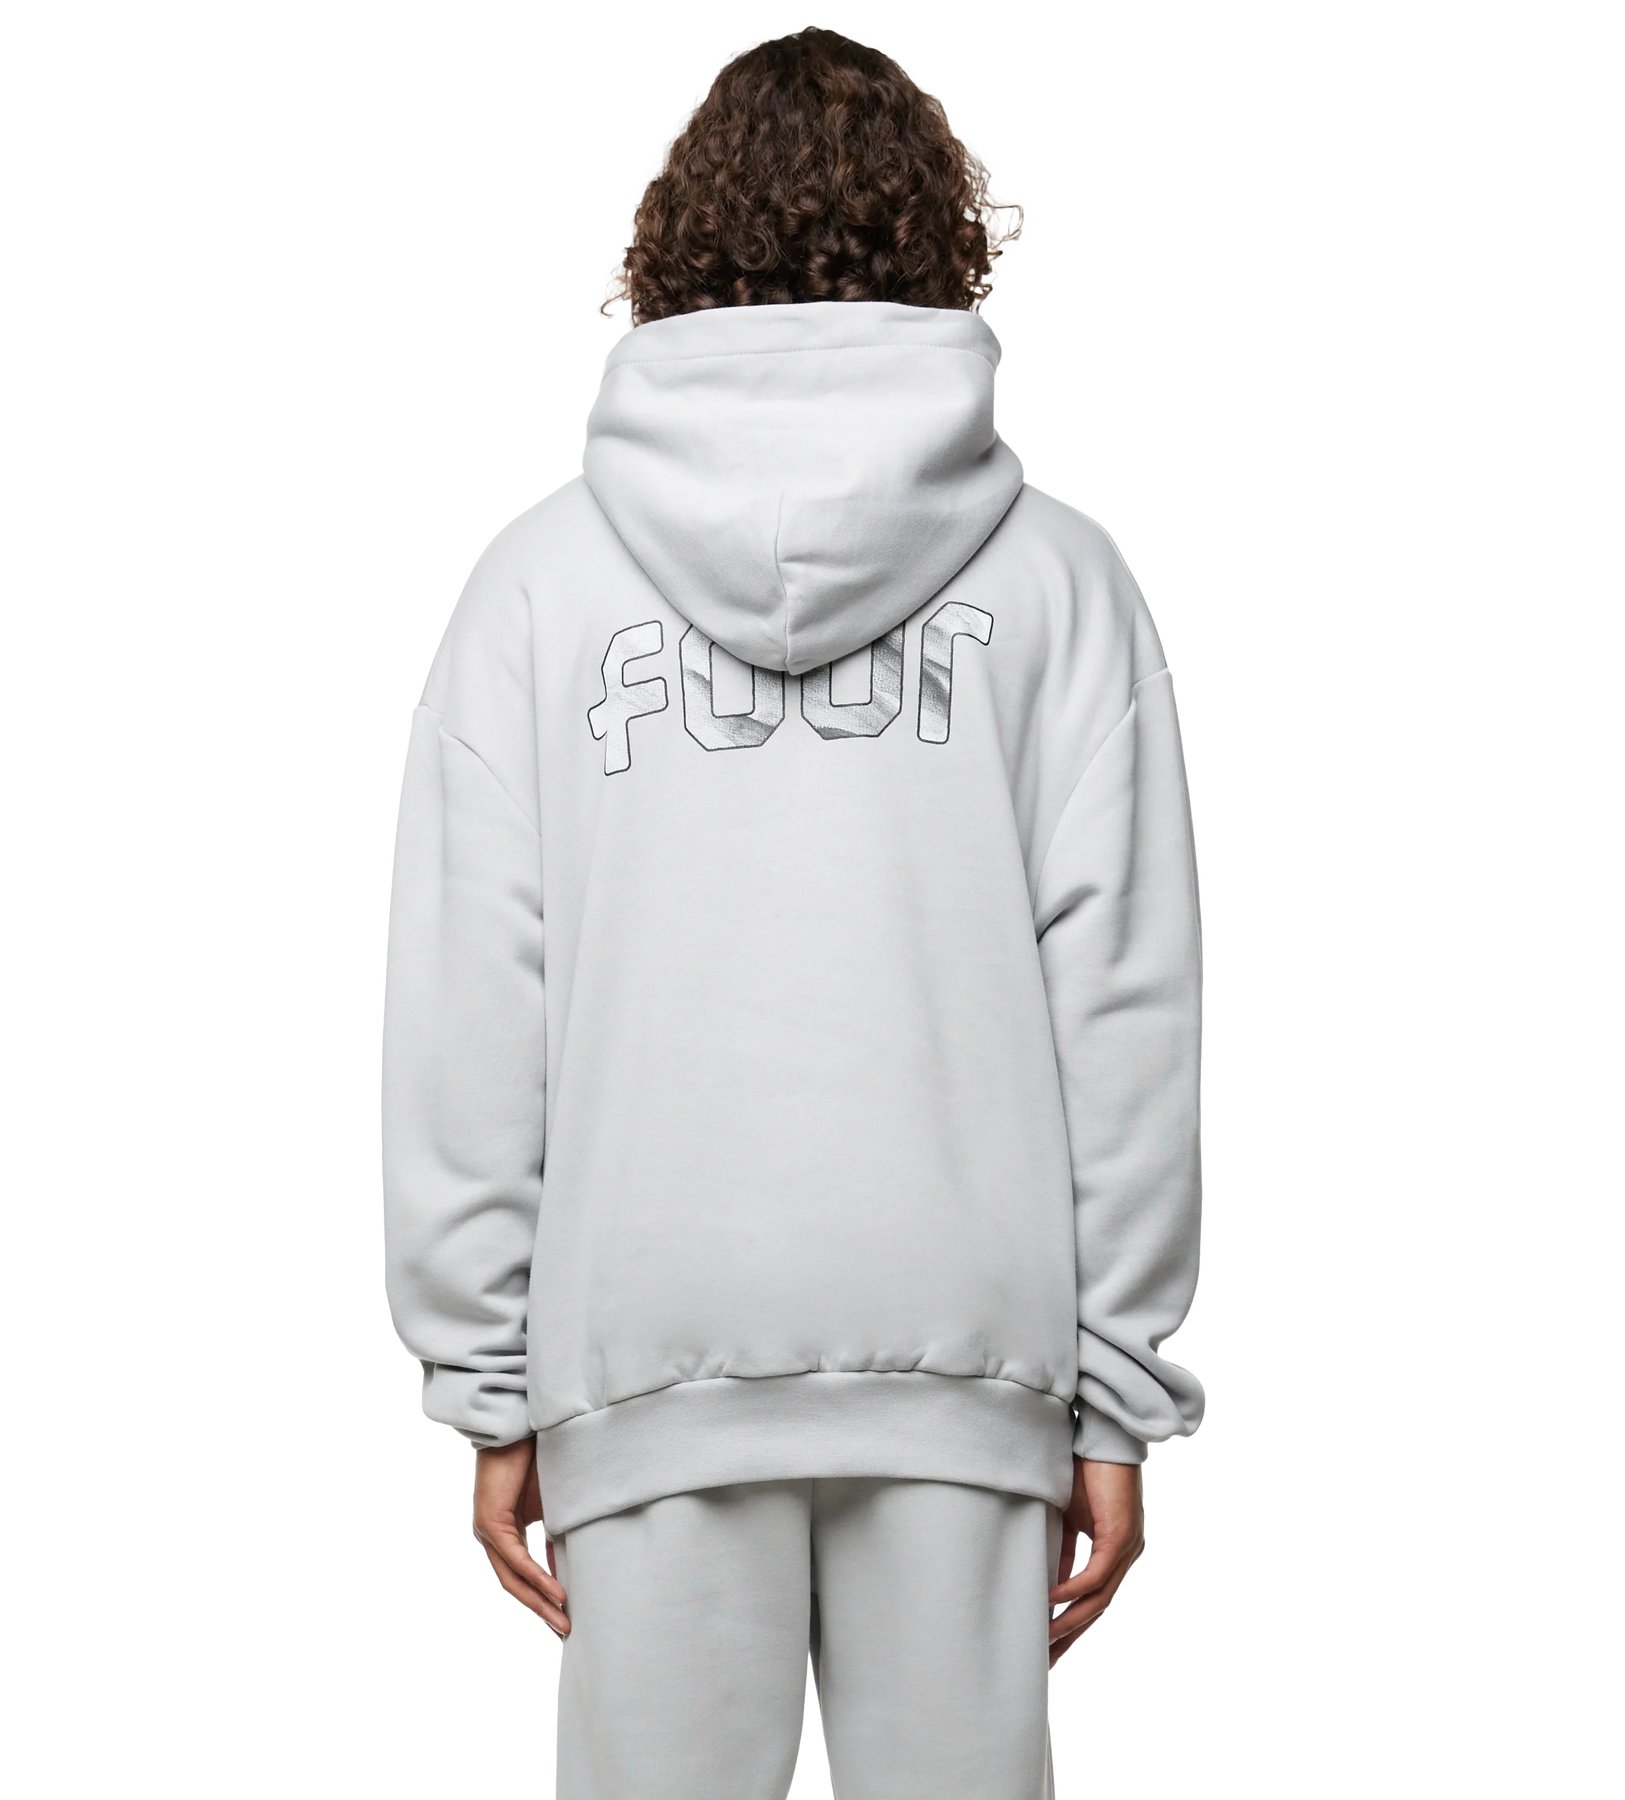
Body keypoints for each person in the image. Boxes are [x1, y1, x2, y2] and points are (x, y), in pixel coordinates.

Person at [378, 26, 1205, 1800]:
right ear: (944, 244)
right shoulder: (1064, 578)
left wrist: (487, 1378)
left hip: (641, 1339)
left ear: (673, 245)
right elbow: (1126, 1003)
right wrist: (1121, 1388)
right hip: (971, 1337)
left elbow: (466, 1001)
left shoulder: (535, 581)